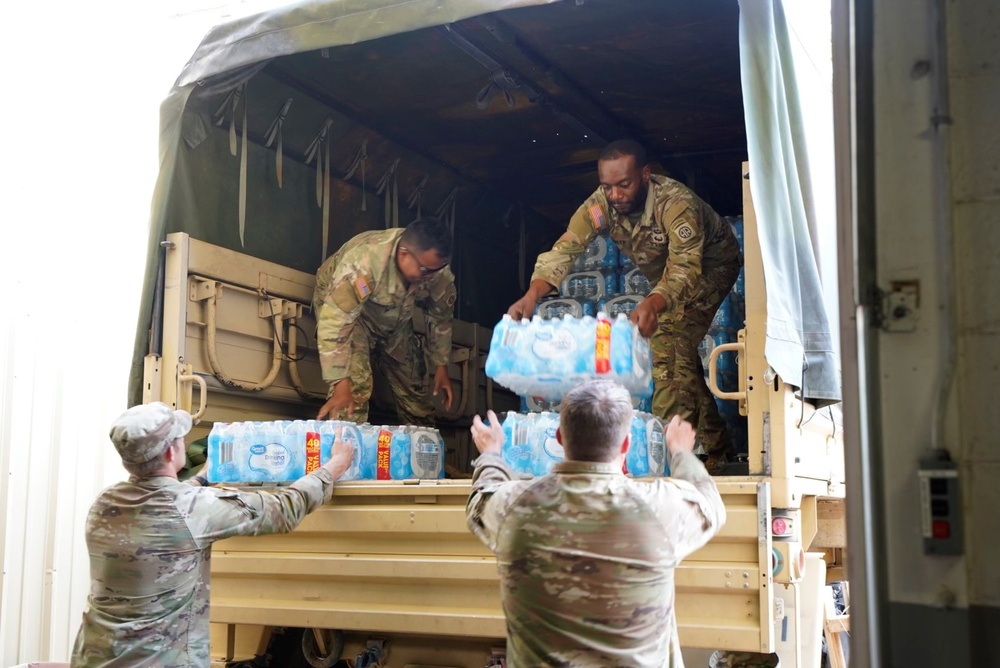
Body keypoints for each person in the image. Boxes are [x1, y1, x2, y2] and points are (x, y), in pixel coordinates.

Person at [507, 140, 742, 473]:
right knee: (680, 359)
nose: (615, 195)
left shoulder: (675, 203)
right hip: (667, 275)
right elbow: (566, 248)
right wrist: (532, 294)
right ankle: (718, 447)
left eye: (624, 185)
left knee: (667, 342)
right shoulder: (600, 205)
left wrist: (654, 302)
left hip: (710, 265)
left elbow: (685, 268)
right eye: (607, 186)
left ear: (645, 174)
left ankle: (667, 461)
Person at [71, 402, 354, 667]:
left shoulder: (105, 503)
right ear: (171, 452)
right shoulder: (193, 510)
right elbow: (285, 507)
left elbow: (172, 500)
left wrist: (203, 476)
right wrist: (333, 467)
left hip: (97, 657)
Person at [466, 379, 726, 667]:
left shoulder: (515, 507)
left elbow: (482, 497)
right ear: (626, 443)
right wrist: (681, 452)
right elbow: (709, 503)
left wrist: (491, 454)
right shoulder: (657, 508)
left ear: (560, 437)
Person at [314, 216, 456, 424]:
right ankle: (347, 448)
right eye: (426, 270)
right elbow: (335, 322)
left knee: (416, 390)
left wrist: (441, 365)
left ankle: (422, 451)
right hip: (352, 317)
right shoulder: (364, 263)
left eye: (437, 269)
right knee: (354, 390)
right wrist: (340, 382)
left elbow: (440, 316)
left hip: (393, 319)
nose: (431, 276)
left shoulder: (434, 271)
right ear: (404, 254)